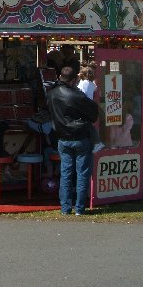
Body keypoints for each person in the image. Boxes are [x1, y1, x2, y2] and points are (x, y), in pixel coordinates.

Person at [48, 65, 99, 216]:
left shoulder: (51, 94)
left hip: (63, 138)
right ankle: (80, 208)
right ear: (73, 80)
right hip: (80, 136)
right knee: (82, 174)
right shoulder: (76, 95)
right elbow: (93, 113)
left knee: (66, 173)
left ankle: (65, 208)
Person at [78, 66, 105, 152]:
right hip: (90, 106)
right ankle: (96, 142)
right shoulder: (92, 84)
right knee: (89, 125)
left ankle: (96, 142)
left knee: (87, 125)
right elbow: (98, 92)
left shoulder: (82, 83)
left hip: (83, 106)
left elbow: (78, 91)